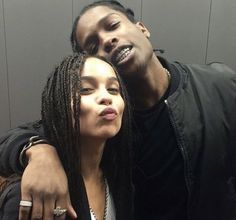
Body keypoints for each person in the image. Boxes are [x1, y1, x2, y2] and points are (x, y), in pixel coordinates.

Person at [1, 0, 236, 219]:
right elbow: (34, 131)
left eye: (112, 25)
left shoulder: (219, 85)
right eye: (93, 45)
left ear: (142, 28)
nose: (106, 40)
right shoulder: (106, 121)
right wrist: (39, 153)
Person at [0, 53, 133, 220]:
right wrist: (40, 152)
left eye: (113, 89)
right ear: (59, 104)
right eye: (85, 89)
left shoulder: (123, 177)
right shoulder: (35, 194)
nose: (106, 97)